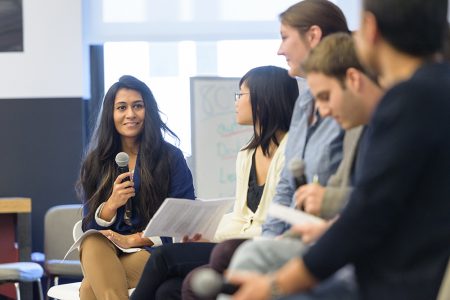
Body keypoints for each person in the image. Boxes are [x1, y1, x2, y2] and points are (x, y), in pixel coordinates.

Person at [227, 0, 450, 299]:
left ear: (370, 29)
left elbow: (368, 217)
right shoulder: (435, 90)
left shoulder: (407, 101)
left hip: (398, 281)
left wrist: (275, 285)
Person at [182, 1, 349, 298]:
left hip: (324, 240)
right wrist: (270, 243)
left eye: (285, 37)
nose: (279, 49)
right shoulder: (305, 103)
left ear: (313, 36)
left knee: (218, 267)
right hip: (293, 236)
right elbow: (286, 189)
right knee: (195, 277)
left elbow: (355, 198)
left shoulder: (352, 112)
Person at [223, 32, 383, 300]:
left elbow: (378, 210)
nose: (324, 113)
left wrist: (275, 285)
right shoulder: (361, 129)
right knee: (250, 254)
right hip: (341, 239)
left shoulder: (386, 127)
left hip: (371, 259)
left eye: (325, 97)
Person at [130, 65, 299, 300]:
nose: (236, 102)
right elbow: (241, 216)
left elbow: (274, 223)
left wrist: (219, 238)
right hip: (239, 243)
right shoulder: (247, 154)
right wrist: (207, 234)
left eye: (241, 95)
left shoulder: (292, 149)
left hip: (263, 247)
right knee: (168, 290)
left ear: (264, 99)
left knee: (162, 257)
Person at [76, 75, 195, 300]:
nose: (130, 114)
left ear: (147, 110)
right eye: (121, 107)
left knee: (89, 289)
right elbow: (88, 225)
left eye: (137, 106)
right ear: (111, 115)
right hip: (108, 249)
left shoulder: (170, 157)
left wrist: (138, 239)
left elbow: (184, 216)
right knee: (91, 241)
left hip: (152, 251)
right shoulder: (95, 161)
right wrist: (111, 205)